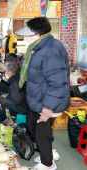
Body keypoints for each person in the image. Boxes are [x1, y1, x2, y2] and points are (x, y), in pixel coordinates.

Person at [14, 17, 70, 170]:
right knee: (32, 126)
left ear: (39, 33)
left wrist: (48, 107)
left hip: (48, 101)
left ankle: (48, 163)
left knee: (41, 132)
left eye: (30, 31)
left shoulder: (51, 50)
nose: (27, 35)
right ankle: (50, 152)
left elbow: (58, 83)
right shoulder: (39, 46)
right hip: (39, 99)